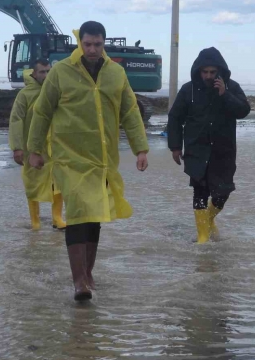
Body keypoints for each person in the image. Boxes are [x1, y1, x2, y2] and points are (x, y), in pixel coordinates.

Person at [27, 21, 149, 301]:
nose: (93, 49)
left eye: (98, 44)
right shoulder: (61, 73)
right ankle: (79, 280)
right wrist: (34, 149)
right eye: (88, 44)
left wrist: (140, 149)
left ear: (104, 44)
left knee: (94, 216)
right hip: (69, 157)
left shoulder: (116, 73)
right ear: (79, 43)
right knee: (78, 214)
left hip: (102, 158)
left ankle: (89, 272)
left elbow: (130, 112)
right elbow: (42, 112)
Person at [167, 47, 250, 244]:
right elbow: (175, 118)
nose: (208, 76)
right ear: (199, 71)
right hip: (197, 150)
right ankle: (202, 236)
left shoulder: (232, 87)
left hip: (223, 151)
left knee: (223, 193)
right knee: (200, 192)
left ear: (220, 71)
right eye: (205, 72)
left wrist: (225, 95)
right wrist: (175, 147)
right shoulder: (188, 90)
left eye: (213, 72)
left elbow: (244, 110)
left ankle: (209, 220)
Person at [9, 59, 66, 230]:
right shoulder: (24, 95)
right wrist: (17, 147)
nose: (46, 75)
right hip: (31, 148)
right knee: (33, 182)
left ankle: (57, 218)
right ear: (34, 74)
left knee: (58, 181)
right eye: (42, 72)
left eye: (49, 71)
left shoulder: (56, 92)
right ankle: (35, 221)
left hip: (55, 147)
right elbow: (16, 120)